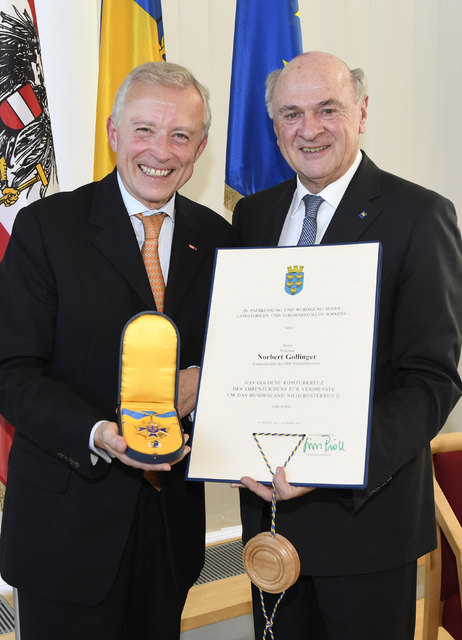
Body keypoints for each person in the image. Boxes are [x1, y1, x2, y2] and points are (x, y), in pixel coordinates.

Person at [0, 61, 236, 640]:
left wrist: (212, 381)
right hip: (66, 529)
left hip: (171, 530)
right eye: (144, 130)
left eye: (181, 135)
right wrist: (101, 431)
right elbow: (12, 372)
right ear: (113, 132)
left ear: (201, 147)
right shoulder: (47, 227)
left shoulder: (221, 239)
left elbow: (236, 359)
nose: (161, 150)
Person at [232, 51, 462, 640]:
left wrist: (339, 461)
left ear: (361, 112)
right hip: (270, 521)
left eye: (326, 109)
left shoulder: (419, 215)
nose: (308, 130)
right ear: (274, 126)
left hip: (366, 526)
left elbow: (431, 379)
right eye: (291, 114)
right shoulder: (252, 218)